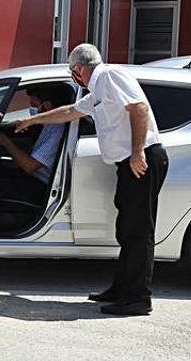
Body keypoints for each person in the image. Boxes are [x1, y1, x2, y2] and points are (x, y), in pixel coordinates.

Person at [14, 43, 168, 316]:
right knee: (126, 229)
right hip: (127, 164)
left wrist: (136, 153)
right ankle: (121, 289)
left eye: (73, 72)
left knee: (138, 232)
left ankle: (137, 299)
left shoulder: (108, 75)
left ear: (79, 69)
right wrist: (34, 122)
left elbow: (139, 108)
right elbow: (71, 111)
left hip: (141, 162)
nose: (74, 76)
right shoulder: (97, 89)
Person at [0, 86, 69, 206]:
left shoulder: (57, 131)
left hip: (40, 186)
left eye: (34, 104)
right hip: (32, 178)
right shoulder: (48, 122)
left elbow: (29, 166)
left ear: (47, 106)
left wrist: (5, 141)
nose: (31, 109)